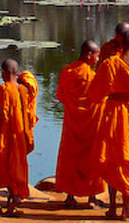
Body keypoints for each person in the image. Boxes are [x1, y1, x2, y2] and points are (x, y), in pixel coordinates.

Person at [0, 59, 38, 217]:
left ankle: (13, 199)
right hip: (19, 135)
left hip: (5, 136)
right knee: (17, 164)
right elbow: (29, 106)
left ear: (3, 73)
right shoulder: (22, 89)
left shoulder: (1, 91)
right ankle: (15, 196)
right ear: (17, 73)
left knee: (7, 166)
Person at [55, 40, 105, 207]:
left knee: (71, 158)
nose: (98, 60)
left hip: (72, 124)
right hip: (91, 125)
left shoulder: (67, 71)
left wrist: (73, 108)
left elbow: (61, 96)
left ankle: (70, 196)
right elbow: (100, 99)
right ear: (89, 55)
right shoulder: (92, 77)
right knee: (92, 158)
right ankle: (92, 197)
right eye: (97, 56)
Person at [88, 26, 129, 220]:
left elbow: (95, 94)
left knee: (114, 160)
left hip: (115, 114)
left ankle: (113, 207)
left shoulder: (110, 64)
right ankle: (126, 208)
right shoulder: (111, 64)